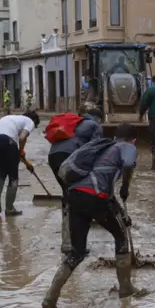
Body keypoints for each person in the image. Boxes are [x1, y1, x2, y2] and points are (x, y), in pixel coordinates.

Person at [41, 124, 141, 308]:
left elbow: (106, 193)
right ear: (133, 140)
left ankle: (50, 299)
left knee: (77, 252)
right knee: (121, 238)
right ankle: (126, 289)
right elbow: (128, 165)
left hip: (75, 196)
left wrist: (122, 214)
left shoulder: (102, 150)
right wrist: (126, 186)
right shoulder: (127, 147)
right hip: (95, 197)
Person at [48, 108, 104, 253]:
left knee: (68, 195)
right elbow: (96, 148)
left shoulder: (74, 123)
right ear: (98, 118)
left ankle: (68, 242)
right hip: (70, 157)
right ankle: (73, 245)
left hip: (53, 156)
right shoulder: (94, 125)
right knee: (76, 198)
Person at [0, 110, 41, 215]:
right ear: (34, 120)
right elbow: (22, 138)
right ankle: (9, 209)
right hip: (6, 140)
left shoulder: (11, 118)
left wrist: (26, 163)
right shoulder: (30, 121)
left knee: (2, 171)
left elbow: (14, 150)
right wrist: (21, 150)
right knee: (13, 176)